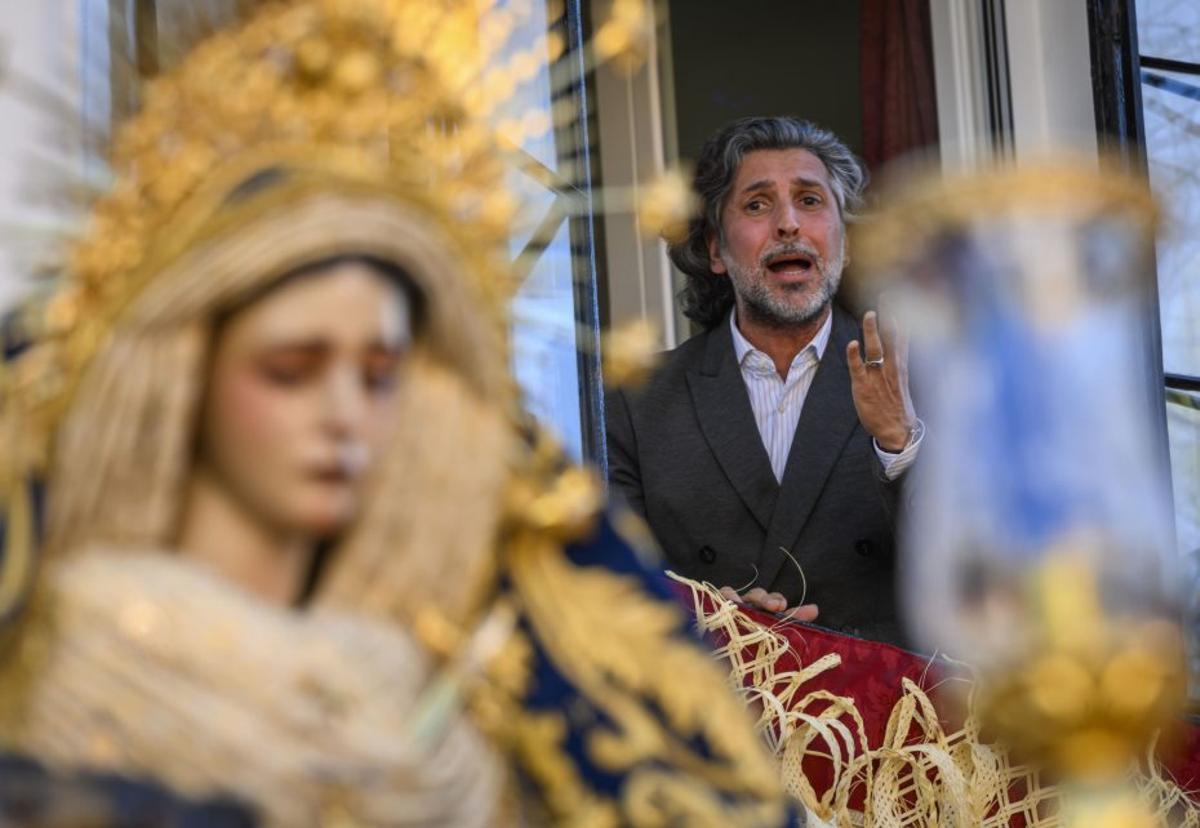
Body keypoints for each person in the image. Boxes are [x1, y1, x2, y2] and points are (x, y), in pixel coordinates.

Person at [0, 4, 804, 826]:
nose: (345, 415)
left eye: (380, 376)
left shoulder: (431, 680)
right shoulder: (95, 660)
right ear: (184, 383)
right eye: (290, 369)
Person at [607, 116, 922, 645]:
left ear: (843, 239)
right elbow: (611, 593)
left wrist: (899, 441)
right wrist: (705, 617)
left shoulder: (921, 376)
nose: (788, 224)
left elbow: (977, 570)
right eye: (757, 204)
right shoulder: (637, 402)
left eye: (811, 200)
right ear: (714, 250)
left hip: (891, 715)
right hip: (720, 711)